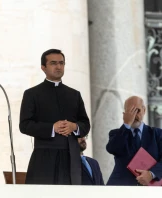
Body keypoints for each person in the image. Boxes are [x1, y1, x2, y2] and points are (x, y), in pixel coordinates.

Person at [19, 49, 90, 185]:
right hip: (44, 156)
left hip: (71, 157)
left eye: (61, 63)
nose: (58, 67)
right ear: (43, 68)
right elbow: (24, 125)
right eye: (53, 63)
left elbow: (85, 124)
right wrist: (52, 128)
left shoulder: (74, 95)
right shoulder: (32, 94)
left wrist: (74, 127)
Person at [106, 96, 162, 186]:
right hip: (121, 187)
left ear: (144, 110)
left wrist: (151, 174)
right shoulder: (116, 133)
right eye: (130, 111)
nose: (134, 115)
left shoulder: (157, 134)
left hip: (150, 188)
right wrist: (126, 124)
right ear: (124, 114)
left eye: (137, 110)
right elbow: (112, 149)